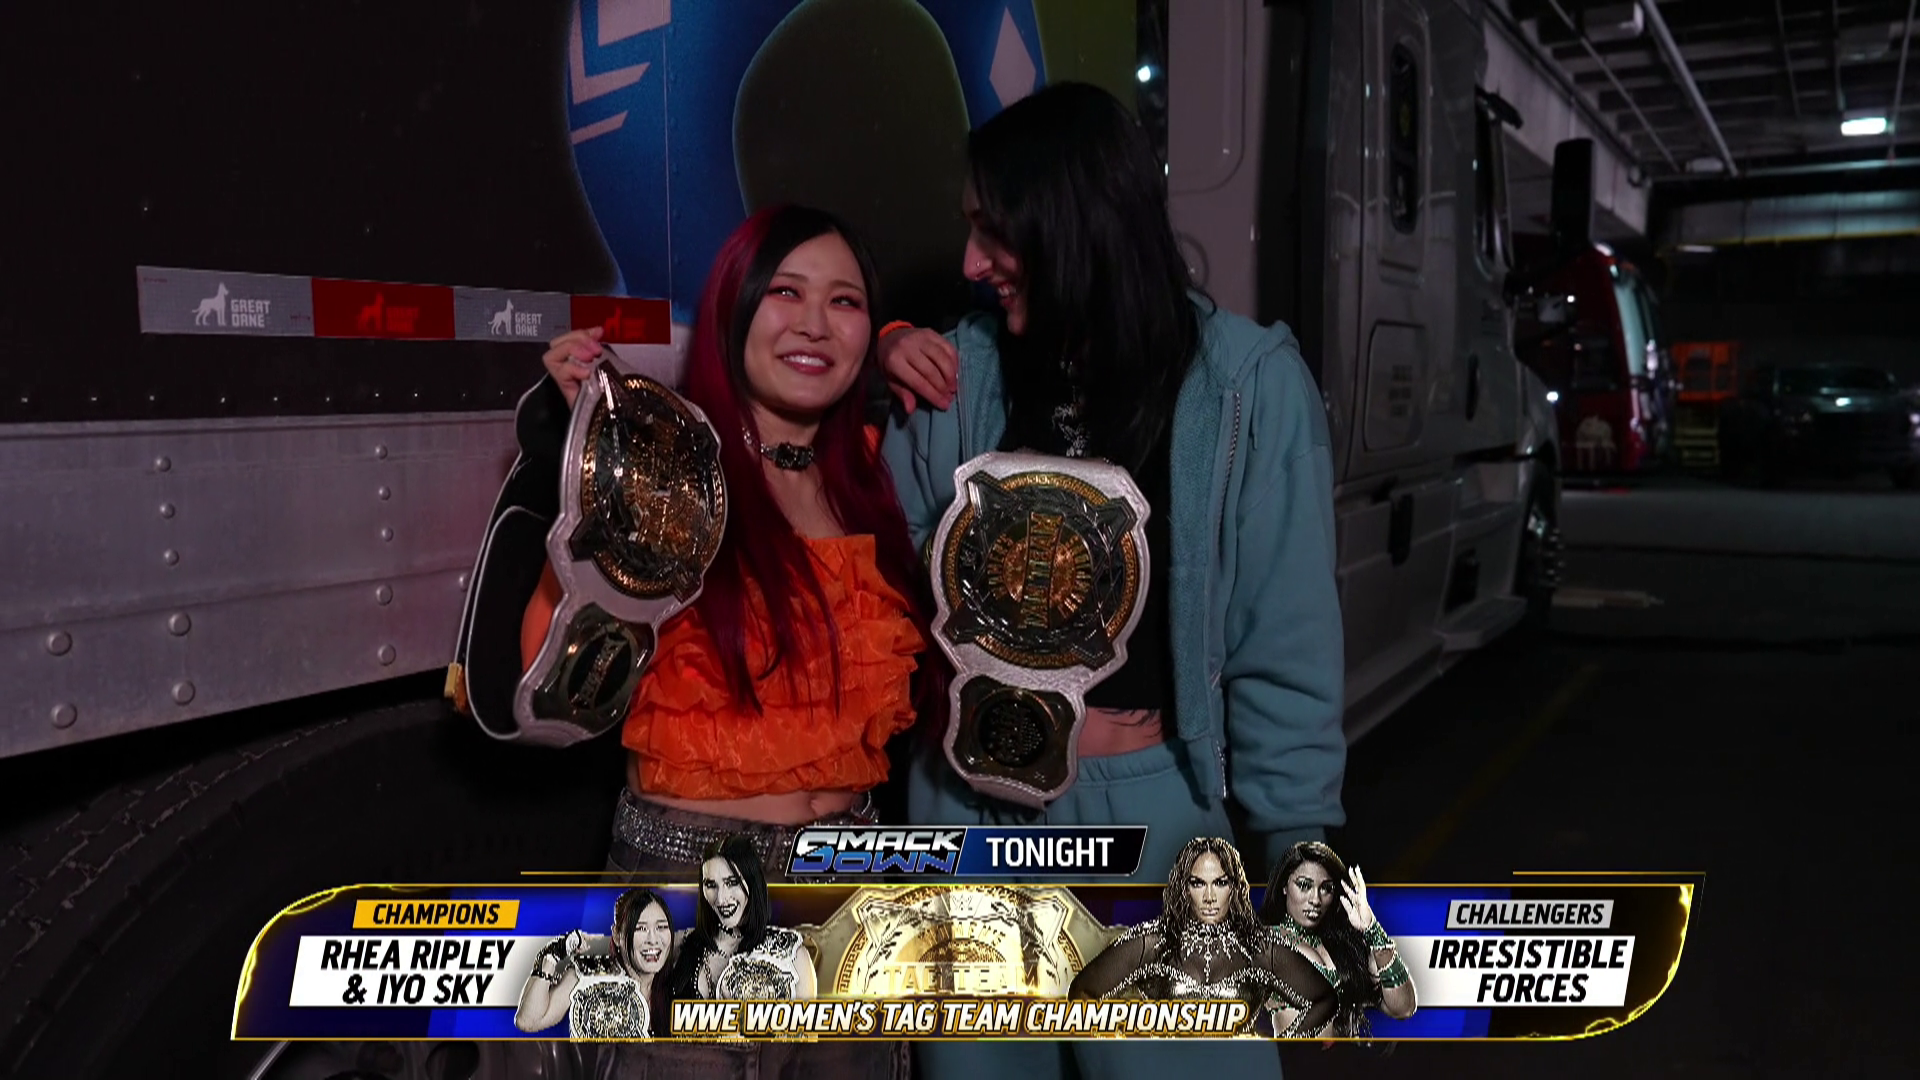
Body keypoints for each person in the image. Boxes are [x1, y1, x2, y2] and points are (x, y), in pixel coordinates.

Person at [878, 79, 1344, 1080]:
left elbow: (1286, 642)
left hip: (1149, 812)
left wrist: (1299, 855)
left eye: (992, 231)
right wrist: (880, 350)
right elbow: (881, 589)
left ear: (1071, 222)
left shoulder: (1245, 386)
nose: (969, 264)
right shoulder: (957, 375)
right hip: (969, 813)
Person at [519, 204, 927, 1078]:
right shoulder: (668, 471)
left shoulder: (871, 471)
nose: (815, 323)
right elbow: (549, 684)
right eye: (785, 292)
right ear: (733, 308)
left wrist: (902, 341)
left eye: (846, 302)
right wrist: (591, 468)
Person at [1068, 837, 1335, 1037]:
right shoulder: (1151, 942)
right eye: (1198, 883)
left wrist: (1282, 1049)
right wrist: (1123, 1058)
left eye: (1220, 882)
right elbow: (1082, 992)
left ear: (1234, 887)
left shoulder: (1261, 948)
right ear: (1184, 887)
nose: (1209, 897)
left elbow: (1324, 999)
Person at [1260, 842, 1415, 1037]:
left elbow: (1403, 1008)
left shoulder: (1346, 949)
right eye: (1304, 886)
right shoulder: (1268, 942)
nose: (1315, 899)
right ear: (1284, 886)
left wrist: (1372, 928)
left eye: (1326, 888)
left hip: (1350, 1056)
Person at [668, 834, 817, 1001]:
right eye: (711, 885)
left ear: (753, 882)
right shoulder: (680, 944)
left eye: (732, 882)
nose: (721, 899)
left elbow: (808, 1016)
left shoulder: (793, 955)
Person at [514, 888, 674, 1038]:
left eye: (661, 927)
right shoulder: (589, 975)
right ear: (617, 935)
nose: (653, 940)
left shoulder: (678, 982)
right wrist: (555, 951)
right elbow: (528, 1021)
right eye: (641, 928)